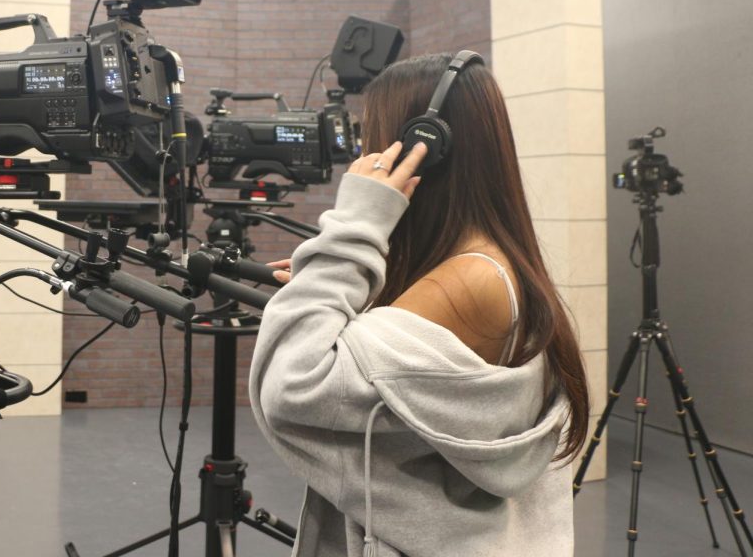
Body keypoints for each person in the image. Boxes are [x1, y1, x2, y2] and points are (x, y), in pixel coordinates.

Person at [249, 52, 589, 557]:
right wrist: (325, 286)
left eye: (375, 134)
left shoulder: (469, 281)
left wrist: (356, 224)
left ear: (424, 145)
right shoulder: (489, 260)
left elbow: (290, 388)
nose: (367, 152)